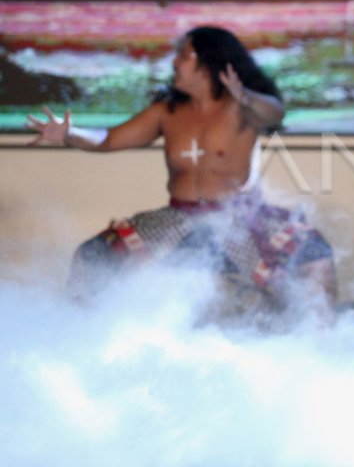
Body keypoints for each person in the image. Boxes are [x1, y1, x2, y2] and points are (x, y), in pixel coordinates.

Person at [26, 25, 337, 321]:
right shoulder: (167, 110)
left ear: (208, 63)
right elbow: (108, 139)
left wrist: (244, 96)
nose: (173, 61)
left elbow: (274, 112)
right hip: (177, 218)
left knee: (315, 252)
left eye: (183, 55)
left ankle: (319, 342)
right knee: (92, 255)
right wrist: (70, 134)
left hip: (240, 217)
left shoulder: (242, 107)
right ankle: (79, 333)